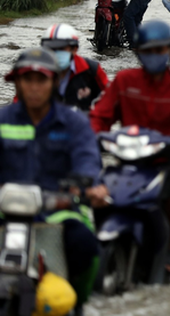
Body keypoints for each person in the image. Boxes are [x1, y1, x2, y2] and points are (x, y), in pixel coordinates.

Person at [90, 21, 170, 274]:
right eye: (148, 51)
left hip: (169, 159)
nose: (154, 56)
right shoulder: (125, 80)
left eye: (160, 50)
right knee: (100, 190)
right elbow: (100, 116)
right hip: (131, 160)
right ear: (138, 53)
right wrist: (91, 136)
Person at [1, 47, 107, 305]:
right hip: (5, 211)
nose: (34, 87)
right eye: (28, 80)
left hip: (57, 211)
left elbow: (88, 160)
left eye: (41, 80)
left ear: (54, 83)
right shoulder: (3, 119)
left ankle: (80, 303)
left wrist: (88, 185)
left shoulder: (74, 123)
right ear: (17, 83)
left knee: (84, 243)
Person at [40, 23, 108, 111]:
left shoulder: (91, 70)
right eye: (51, 49)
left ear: (74, 49)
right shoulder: (35, 71)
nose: (55, 53)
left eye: (61, 49)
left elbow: (110, 100)